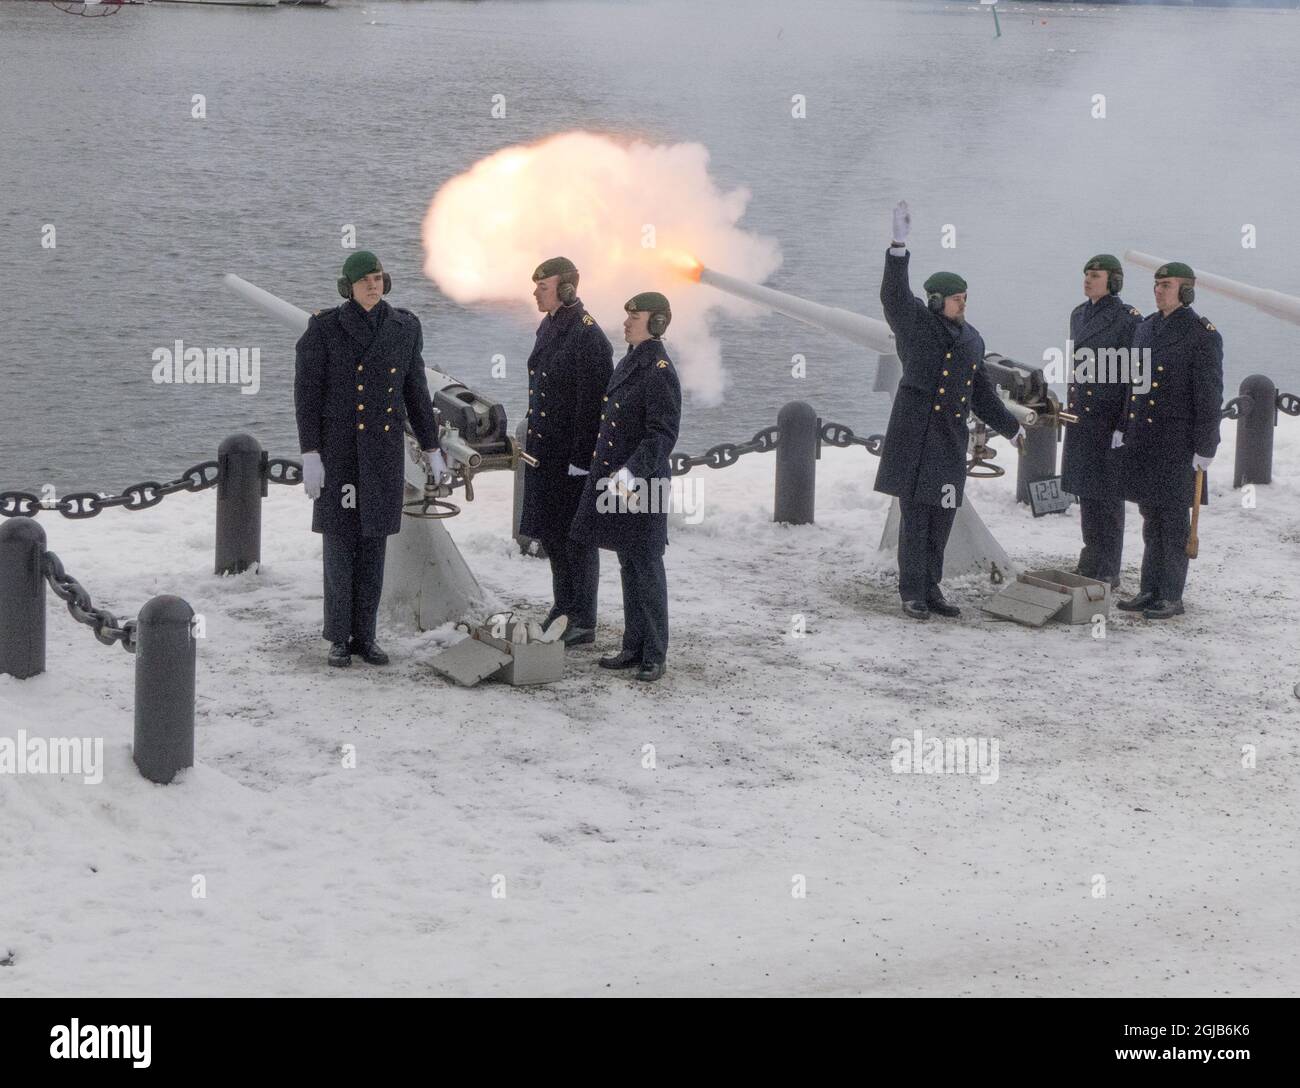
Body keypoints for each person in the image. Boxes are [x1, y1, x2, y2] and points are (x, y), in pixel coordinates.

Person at [294, 250, 446, 666]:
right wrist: (311, 453)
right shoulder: (324, 329)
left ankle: (366, 635)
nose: (373, 286)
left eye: (378, 278)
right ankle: (338, 637)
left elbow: (415, 391)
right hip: (339, 454)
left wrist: (431, 447)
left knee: (374, 545)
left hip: (381, 455)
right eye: (365, 281)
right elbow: (307, 397)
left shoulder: (404, 328)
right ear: (349, 287)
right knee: (340, 545)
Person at [875, 201, 1025, 620]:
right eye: (957, 300)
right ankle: (912, 593)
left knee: (942, 516)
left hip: (947, 439)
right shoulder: (915, 323)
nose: (963, 305)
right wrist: (898, 245)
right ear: (938, 300)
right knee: (916, 517)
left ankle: (932, 588)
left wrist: (1010, 428)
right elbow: (892, 294)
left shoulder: (972, 340)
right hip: (914, 436)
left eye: (965, 298)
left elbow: (982, 392)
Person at [568, 292, 681, 682]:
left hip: (642, 484)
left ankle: (655, 653)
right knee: (628, 562)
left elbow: (661, 435)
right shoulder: (632, 361)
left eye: (636, 315)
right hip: (620, 484)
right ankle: (633, 647)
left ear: (658, 323)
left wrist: (631, 473)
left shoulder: (660, 369)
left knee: (646, 565)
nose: (628, 321)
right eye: (628, 314)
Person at [1115, 262, 1223, 620]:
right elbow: (1135, 384)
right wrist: (1123, 426)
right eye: (1157, 284)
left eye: (1166, 285)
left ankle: (1171, 595)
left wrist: (1206, 447)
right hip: (1146, 438)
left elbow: (1209, 396)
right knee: (1151, 516)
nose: (1158, 290)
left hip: (1179, 443)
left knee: (1174, 521)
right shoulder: (1145, 329)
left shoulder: (1202, 334)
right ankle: (1150, 588)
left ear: (1186, 291)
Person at [519, 257, 613, 647]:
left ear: (567, 288)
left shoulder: (588, 337)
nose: (536, 293)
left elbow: (591, 406)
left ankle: (583, 619)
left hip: (571, 458)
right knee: (554, 536)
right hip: (548, 452)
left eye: (544, 286)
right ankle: (563, 606)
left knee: (578, 540)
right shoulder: (552, 325)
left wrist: (581, 461)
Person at [1060, 254, 1142, 588]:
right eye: (1086, 275)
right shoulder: (1078, 314)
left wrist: (1125, 423)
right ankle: (1091, 557)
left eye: (1095, 275)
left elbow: (1136, 376)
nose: (1088, 280)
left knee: (1108, 495)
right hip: (1083, 416)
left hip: (1109, 419)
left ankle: (1109, 565)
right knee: (1086, 491)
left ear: (1114, 281)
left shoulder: (1129, 319)